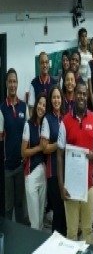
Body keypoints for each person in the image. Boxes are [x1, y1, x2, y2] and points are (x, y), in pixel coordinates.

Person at [57, 83, 93, 243]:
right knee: (71, 230)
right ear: (74, 95)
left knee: (87, 229)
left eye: (84, 94)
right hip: (70, 187)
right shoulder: (65, 122)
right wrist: (61, 185)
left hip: (89, 185)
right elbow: (59, 155)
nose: (82, 97)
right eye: (79, 93)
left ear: (87, 96)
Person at [0, 68, 28, 223]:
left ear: (17, 83)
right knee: (8, 205)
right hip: (7, 168)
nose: (12, 84)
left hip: (21, 165)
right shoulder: (2, 109)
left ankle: (21, 238)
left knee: (20, 205)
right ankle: (9, 238)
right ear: (6, 84)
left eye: (14, 81)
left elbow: (28, 135)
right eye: (10, 81)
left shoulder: (24, 107)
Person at [41, 85, 67, 235]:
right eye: (54, 97)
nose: (56, 100)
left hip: (66, 169)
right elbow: (44, 148)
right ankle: (55, 244)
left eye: (58, 97)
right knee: (57, 209)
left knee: (64, 209)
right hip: (53, 171)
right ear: (50, 100)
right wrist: (59, 144)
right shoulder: (47, 119)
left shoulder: (66, 116)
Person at [22, 94, 47, 230]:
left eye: (44, 105)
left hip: (43, 173)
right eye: (40, 104)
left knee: (41, 220)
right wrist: (39, 148)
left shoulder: (45, 125)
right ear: (36, 104)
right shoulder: (28, 125)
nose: (41, 107)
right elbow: (23, 152)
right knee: (35, 222)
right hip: (31, 174)